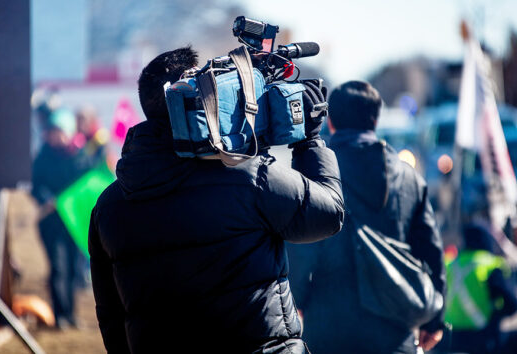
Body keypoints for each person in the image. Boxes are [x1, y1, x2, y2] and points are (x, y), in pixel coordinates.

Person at [88, 47, 344, 353]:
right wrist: (309, 142)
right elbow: (328, 214)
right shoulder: (251, 177)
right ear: (193, 96)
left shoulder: (108, 206)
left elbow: (111, 315)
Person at [287, 81, 446, 353]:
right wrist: (434, 321)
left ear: (331, 120)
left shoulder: (319, 172)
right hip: (395, 325)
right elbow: (431, 251)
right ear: (375, 119)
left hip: (329, 324)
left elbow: (302, 246)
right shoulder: (409, 176)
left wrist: (295, 301)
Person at [445, 222, 517, 354]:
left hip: (449, 339)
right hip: (482, 339)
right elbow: (513, 304)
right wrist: (495, 315)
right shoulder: (490, 265)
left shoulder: (450, 265)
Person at [32, 108, 85, 329]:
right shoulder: (43, 156)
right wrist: (48, 200)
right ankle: (59, 316)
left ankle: (71, 315)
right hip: (51, 221)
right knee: (58, 268)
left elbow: (85, 186)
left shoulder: (80, 155)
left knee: (74, 269)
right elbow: (35, 185)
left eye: (58, 131)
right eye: (51, 131)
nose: (54, 136)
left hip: (73, 222)